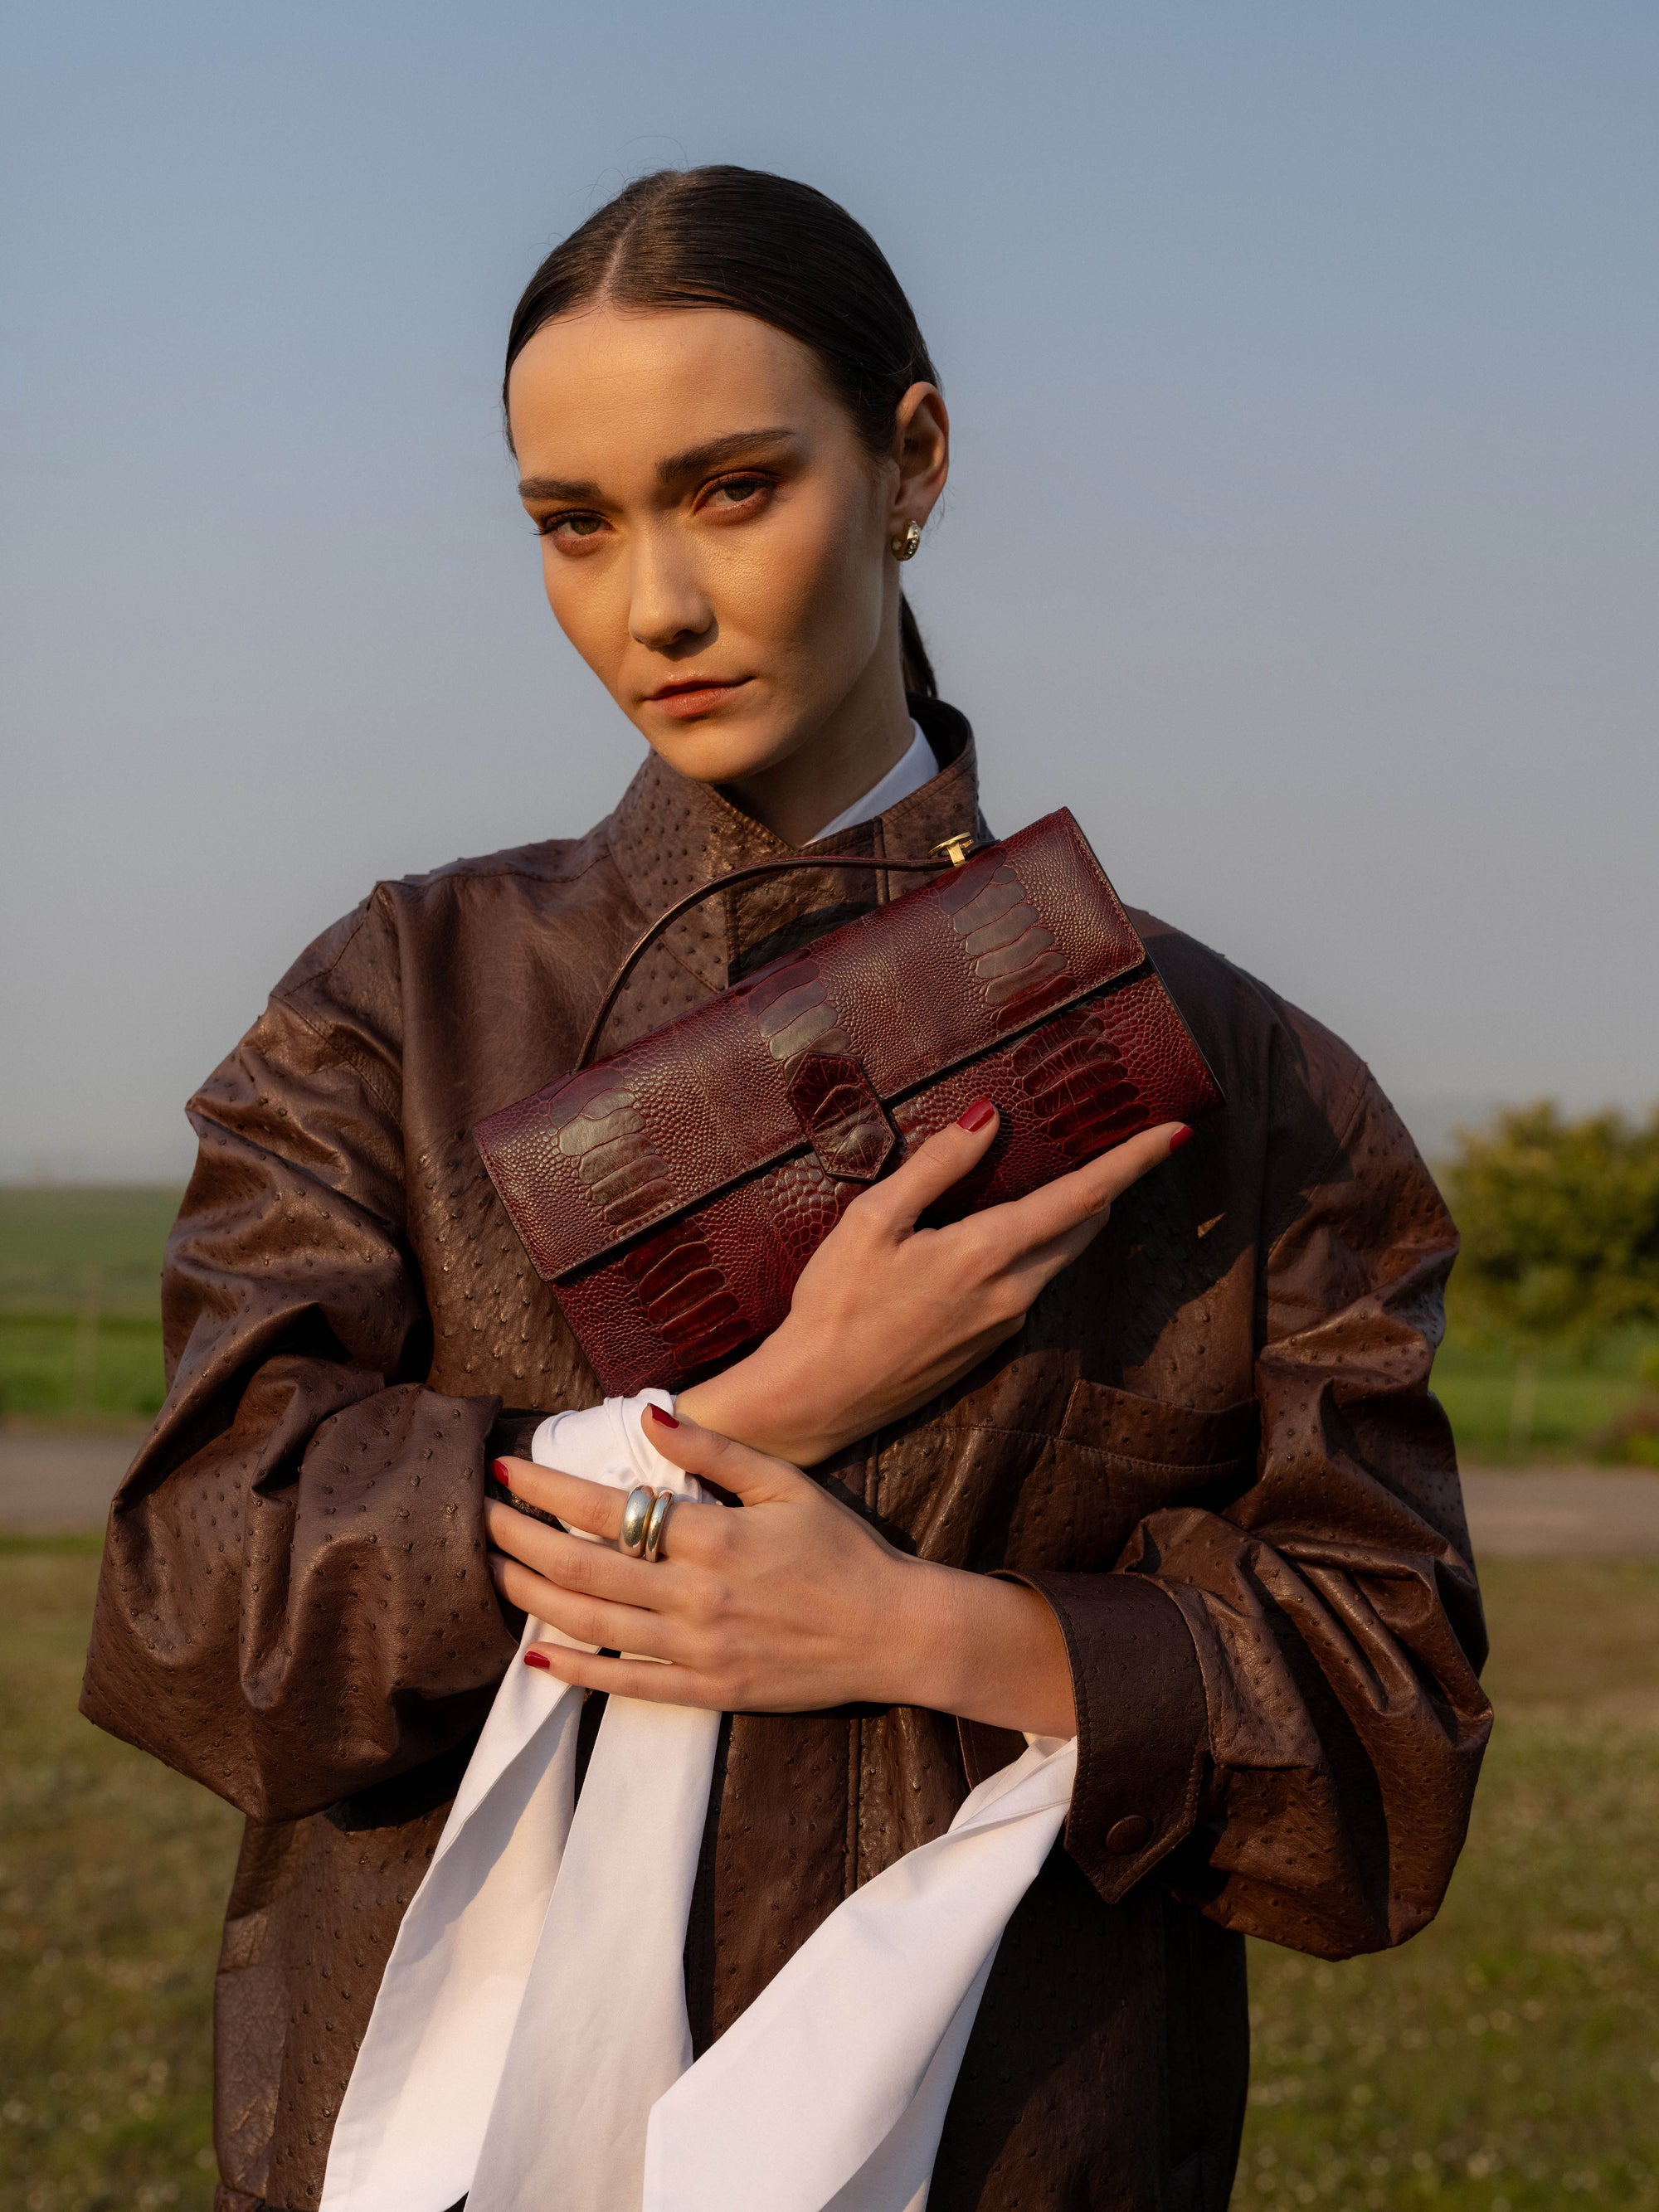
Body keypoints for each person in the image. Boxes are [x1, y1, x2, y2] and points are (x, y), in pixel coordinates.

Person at [82, 166, 1491, 2212]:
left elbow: (1389, 1749)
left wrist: (940, 1629)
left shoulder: (1242, 1082)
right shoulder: (397, 1001)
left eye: (732, 487)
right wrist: (736, 1431)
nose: (652, 601)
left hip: (1008, 2146)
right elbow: (193, 1595)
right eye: (575, 523)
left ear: (908, 461)